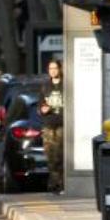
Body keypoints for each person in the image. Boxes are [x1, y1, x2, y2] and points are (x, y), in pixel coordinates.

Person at [40, 58, 65, 195]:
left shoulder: (65, 85)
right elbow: (40, 104)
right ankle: (54, 184)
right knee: (50, 156)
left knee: (61, 156)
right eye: (50, 69)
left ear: (60, 69)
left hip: (62, 124)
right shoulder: (45, 86)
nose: (53, 71)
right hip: (49, 125)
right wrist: (43, 108)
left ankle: (61, 184)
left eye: (55, 68)